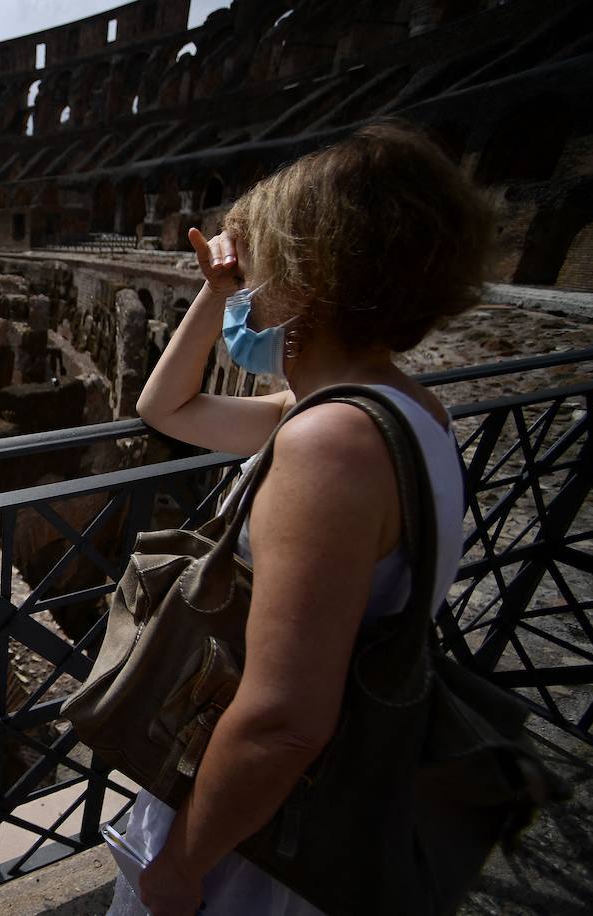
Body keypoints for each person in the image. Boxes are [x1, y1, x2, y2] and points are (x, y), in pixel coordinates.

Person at [109, 121, 492, 916]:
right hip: (312, 790)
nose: (250, 283)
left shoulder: (331, 443)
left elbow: (284, 717)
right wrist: (215, 295)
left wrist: (182, 864)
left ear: (313, 277)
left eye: (262, 263)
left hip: (264, 838)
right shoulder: (397, 409)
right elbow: (163, 407)